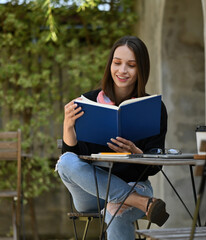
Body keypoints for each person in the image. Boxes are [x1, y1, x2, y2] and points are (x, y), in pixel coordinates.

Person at [56, 36, 169, 240]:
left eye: (131, 65)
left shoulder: (154, 108)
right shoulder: (88, 102)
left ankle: (129, 199)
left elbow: (156, 165)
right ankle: (140, 202)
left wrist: (137, 154)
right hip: (91, 192)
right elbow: (73, 157)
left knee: (115, 208)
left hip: (135, 183)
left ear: (141, 69)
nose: (122, 70)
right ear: (110, 65)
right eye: (117, 63)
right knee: (65, 162)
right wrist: (68, 125)